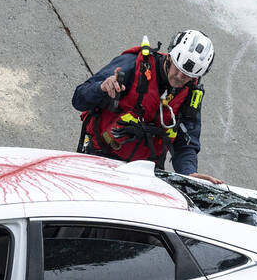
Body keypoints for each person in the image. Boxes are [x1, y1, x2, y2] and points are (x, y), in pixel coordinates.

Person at [72, 30, 221, 184]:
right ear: (169, 56)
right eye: (177, 68)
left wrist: (188, 173)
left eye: (186, 75)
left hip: (143, 174)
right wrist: (100, 88)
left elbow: (186, 142)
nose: (179, 77)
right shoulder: (132, 65)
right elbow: (78, 99)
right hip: (100, 157)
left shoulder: (191, 92)